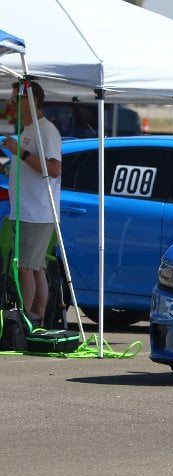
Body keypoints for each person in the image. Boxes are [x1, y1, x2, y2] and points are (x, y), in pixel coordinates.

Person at [1, 81, 62, 325]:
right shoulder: (27, 130)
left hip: (37, 214)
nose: (13, 104)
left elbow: (54, 169)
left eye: (17, 98)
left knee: (26, 268)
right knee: (34, 268)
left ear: (33, 100)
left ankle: (23, 322)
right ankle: (34, 320)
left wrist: (20, 153)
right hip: (26, 212)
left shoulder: (45, 130)